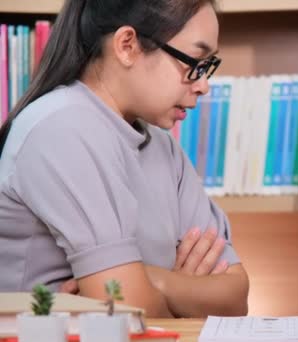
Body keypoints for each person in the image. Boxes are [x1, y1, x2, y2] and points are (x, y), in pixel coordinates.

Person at [0, 0, 248, 318]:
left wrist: (154, 279)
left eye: (208, 66)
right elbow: (132, 314)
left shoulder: (164, 147)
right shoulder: (63, 127)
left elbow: (235, 297)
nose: (203, 86)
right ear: (127, 46)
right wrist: (182, 293)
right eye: (195, 63)